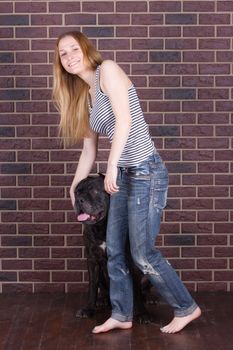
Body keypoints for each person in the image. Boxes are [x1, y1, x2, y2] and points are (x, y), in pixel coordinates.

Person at [53, 31, 201, 334]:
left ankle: (187, 308)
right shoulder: (85, 97)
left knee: (142, 253)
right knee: (116, 251)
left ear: (85, 48)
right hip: (122, 175)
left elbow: (125, 120)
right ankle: (122, 313)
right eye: (62, 54)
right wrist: (75, 184)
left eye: (73, 49)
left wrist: (110, 166)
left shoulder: (107, 70)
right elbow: (88, 149)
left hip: (146, 170)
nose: (69, 56)